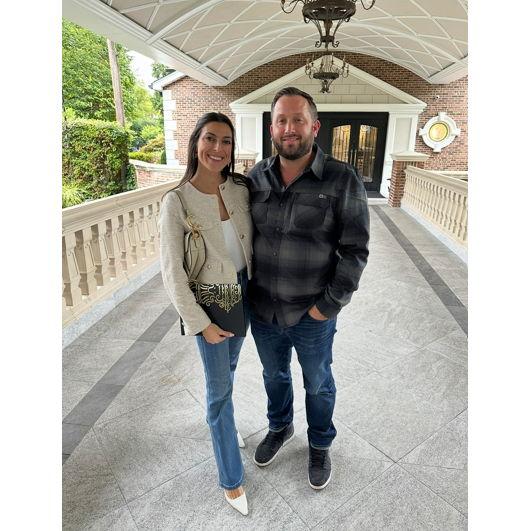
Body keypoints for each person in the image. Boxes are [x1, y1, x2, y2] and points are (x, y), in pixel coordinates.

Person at [247, 87, 370, 490]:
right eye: (281, 120)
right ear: (272, 128)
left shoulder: (341, 178)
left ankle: (319, 443)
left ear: (314, 127)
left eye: (298, 119)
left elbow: (355, 250)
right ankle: (280, 427)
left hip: (312, 313)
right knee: (274, 375)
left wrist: (327, 306)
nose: (289, 128)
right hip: (263, 310)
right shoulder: (255, 178)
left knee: (317, 383)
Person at [159, 112, 253, 515]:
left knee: (228, 373)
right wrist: (201, 323)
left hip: (245, 291)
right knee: (218, 390)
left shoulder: (240, 189)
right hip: (212, 299)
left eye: (226, 141)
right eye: (210, 139)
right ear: (196, 142)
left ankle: (224, 426)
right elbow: (172, 274)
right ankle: (231, 478)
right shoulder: (177, 201)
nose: (218, 148)